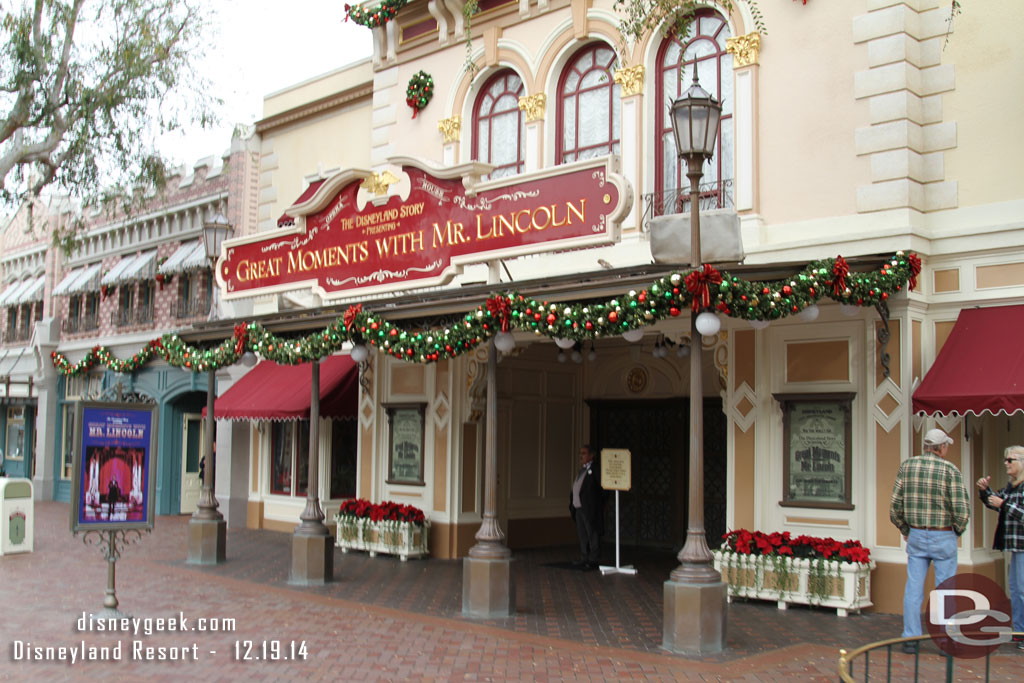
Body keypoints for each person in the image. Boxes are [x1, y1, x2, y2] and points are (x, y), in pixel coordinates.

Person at [889, 428, 970, 654]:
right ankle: (944, 640)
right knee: (945, 590)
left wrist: (905, 529)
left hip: (916, 533)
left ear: (926, 446)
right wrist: (956, 531)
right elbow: (962, 510)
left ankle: (911, 637)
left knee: (914, 588)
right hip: (943, 533)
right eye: (946, 446)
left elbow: (895, 506)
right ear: (941, 447)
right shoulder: (950, 470)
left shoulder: (907, 466)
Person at [976, 445, 1024, 650]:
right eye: (1006, 460)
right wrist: (985, 490)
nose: (1006, 463)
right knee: (1015, 589)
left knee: (1022, 589)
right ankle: (1019, 631)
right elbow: (995, 501)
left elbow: (1011, 509)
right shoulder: (1012, 486)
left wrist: (1003, 504)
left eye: (1010, 460)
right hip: (1015, 546)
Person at [569, 444, 603, 570]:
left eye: (584, 453)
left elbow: (601, 489)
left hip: (589, 508)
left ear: (591, 456)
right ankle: (584, 557)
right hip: (578, 507)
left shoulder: (595, 469)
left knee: (592, 533)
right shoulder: (581, 470)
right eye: (580, 453)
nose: (581, 456)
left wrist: (596, 504)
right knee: (582, 534)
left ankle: (593, 559)